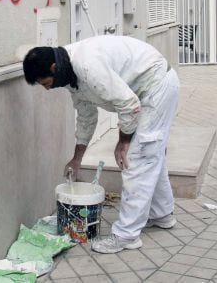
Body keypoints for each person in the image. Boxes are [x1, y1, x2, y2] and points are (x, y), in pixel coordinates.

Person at [22, 35, 180, 254]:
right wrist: (76, 160)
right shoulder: (69, 73)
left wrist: (123, 142)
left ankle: (126, 235)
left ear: (53, 68)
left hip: (155, 87)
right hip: (146, 89)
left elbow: (129, 104)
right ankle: (162, 214)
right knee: (151, 154)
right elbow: (87, 117)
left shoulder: (87, 66)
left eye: (46, 84)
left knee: (138, 158)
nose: (48, 89)